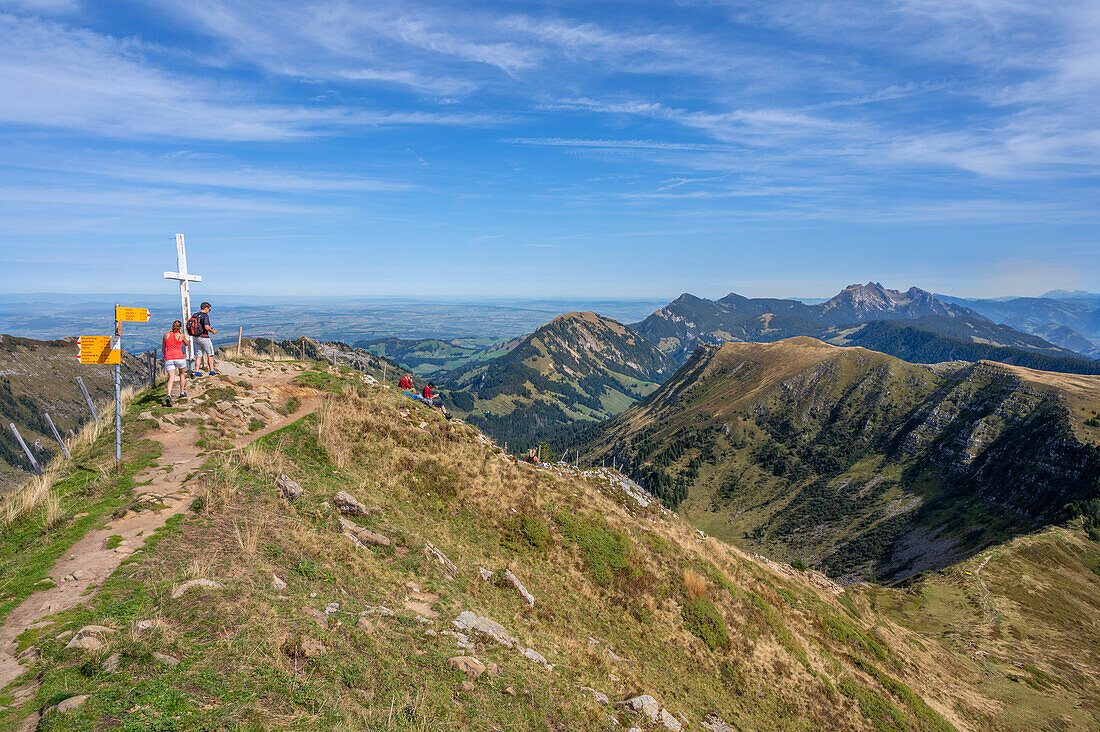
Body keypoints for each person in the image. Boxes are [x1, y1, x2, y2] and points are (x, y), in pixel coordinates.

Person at [164, 320, 188, 406]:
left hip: (169, 357)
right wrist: (181, 334)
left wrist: (165, 356)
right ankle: (181, 392)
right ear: (180, 327)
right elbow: (186, 344)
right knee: (182, 374)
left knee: (171, 377)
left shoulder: (166, 335)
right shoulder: (181, 335)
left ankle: (168, 395)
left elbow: (164, 347)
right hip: (179, 357)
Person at [190, 302, 218, 376]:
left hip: (196, 337)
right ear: (206, 308)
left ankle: (196, 371)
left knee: (199, 355)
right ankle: (212, 371)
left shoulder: (195, 315)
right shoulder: (205, 316)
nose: (209, 311)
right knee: (210, 354)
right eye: (209, 309)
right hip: (204, 337)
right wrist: (212, 331)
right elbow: (206, 327)